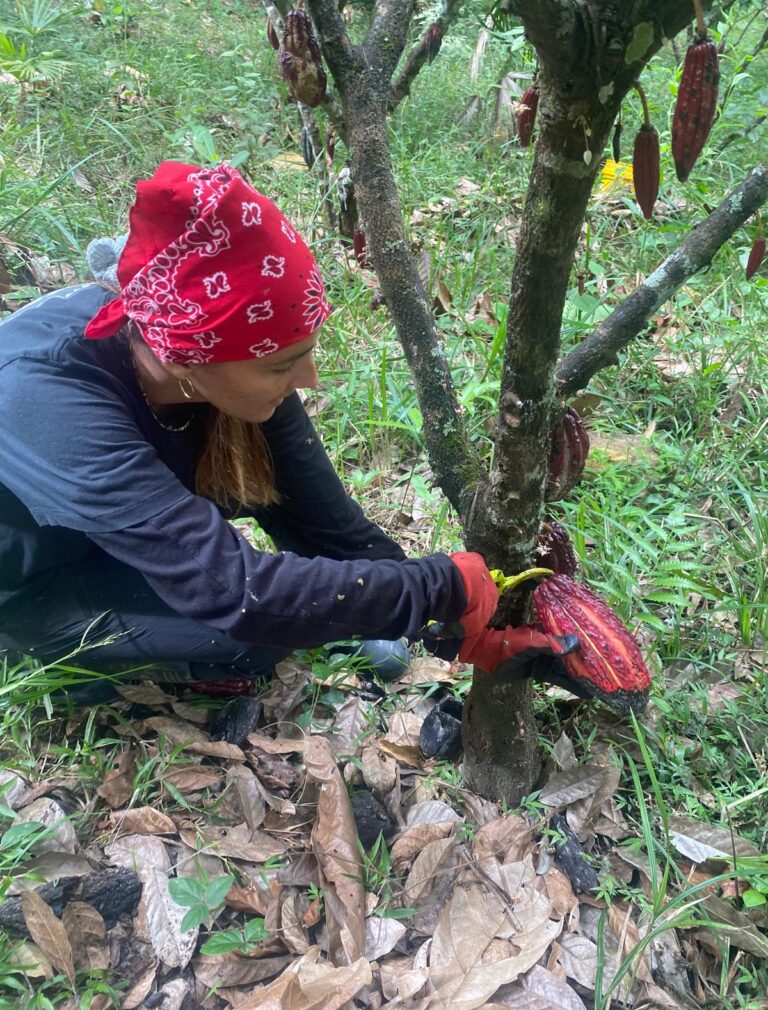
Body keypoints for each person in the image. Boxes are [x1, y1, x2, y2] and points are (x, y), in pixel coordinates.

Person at [0, 161, 575, 704]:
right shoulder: (47, 398)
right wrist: (436, 587)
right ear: (189, 358)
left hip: (118, 543)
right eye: (281, 365)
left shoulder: (220, 370)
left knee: (300, 611)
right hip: (27, 582)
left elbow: (331, 532)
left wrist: (458, 626)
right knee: (250, 638)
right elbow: (233, 592)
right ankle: (51, 660)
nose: (308, 379)